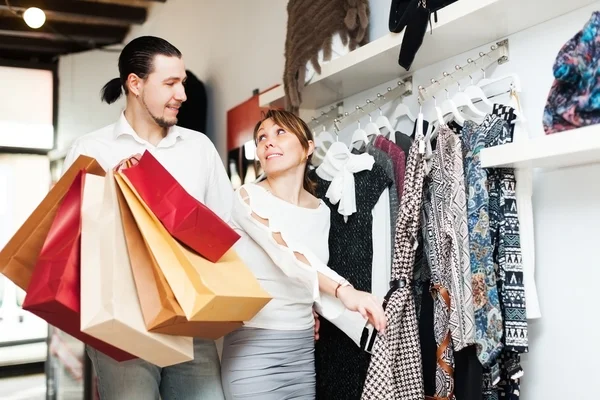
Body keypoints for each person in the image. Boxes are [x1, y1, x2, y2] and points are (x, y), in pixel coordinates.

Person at [62, 36, 231, 400]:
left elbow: (227, 231)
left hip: (191, 319)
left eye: (182, 82)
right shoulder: (91, 150)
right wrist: (111, 193)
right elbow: (69, 242)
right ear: (135, 84)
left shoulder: (199, 148)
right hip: (120, 320)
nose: (182, 94)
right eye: (170, 83)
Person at [221, 109, 388, 400]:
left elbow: (309, 277)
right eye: (262, 137)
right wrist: (345, 290)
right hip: (254, 348)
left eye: (280, 132)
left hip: (301, 348)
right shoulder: (248, 197)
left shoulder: (322, 211)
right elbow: (286, 252)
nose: (268, 142)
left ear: (308, 147)